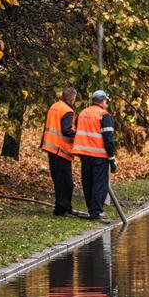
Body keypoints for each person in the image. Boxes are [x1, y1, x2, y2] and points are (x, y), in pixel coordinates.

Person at [73, 90, 117, 220]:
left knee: (87, 181)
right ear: (103, 101)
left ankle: (91, 208)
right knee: (100, 183)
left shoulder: (82, 113)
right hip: (99, 154)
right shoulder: (104, 115)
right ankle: (95, 211)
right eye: (106, 101)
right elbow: (109, 139)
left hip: (84, 154)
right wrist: (112, 159)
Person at [41, 87, 79, 216]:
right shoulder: (67, 111)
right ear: (72, 98)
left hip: (51, 148)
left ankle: (61, 208)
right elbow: (66, 130)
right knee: (66, 182)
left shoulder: (54, 106)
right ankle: (64, 208)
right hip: (61, 149)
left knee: (58, 181)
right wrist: (80, 135)